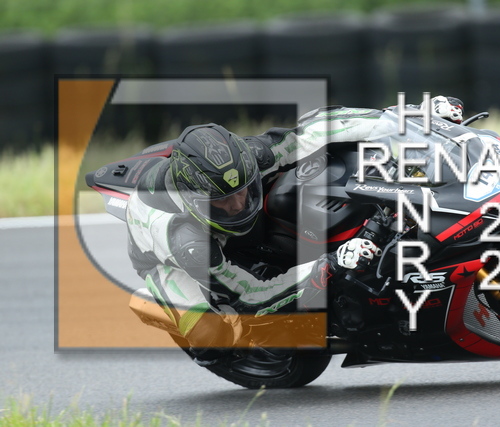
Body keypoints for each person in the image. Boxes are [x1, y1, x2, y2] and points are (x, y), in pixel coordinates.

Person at [125, 95, 464, 357]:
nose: (238, 205)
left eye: (243, 191)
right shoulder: (188, 242)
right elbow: (250, 295)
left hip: (218, 218)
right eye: (222, 201)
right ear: (196, 201)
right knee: (216, 338)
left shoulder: (250, 158)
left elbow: (318, 129)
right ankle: (161, 304)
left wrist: (414, 117)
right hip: (165, 259)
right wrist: (329, 264)